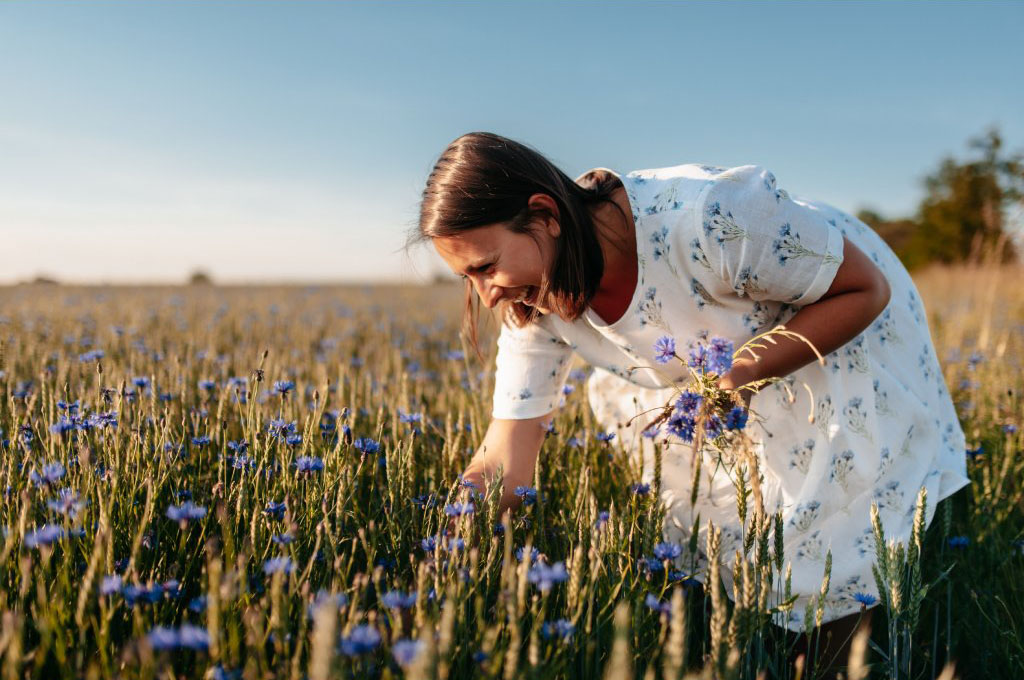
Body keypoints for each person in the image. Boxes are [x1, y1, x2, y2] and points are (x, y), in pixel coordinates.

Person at [410, 131, 970, 672]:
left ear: (545, 215)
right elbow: (507, 453)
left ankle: (844, 654)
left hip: (828, 323)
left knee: (831, 512)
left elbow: (863, 289)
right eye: (467, 279)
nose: (486, 295)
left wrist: (743, 373)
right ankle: (765, 632)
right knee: (722, 517)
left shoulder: (711, 218)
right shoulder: (532, 306)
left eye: (485, 267)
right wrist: (452, 537)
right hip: (716, 369)